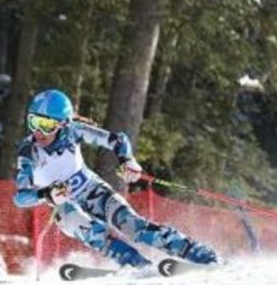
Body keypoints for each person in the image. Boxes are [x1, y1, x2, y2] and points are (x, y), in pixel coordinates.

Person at [13, 88, 220, 274]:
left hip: (93, 191)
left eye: (46, 124)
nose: (38, 132)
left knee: (133, 226)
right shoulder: (28, 152)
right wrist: (45, 194)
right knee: (80, 222)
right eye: (33, 122)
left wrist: (127, 160)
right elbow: (20, 197)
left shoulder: (74, 131)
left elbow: (117, 140)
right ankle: (135, 262)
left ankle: (196, 252)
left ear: (63, 124)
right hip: (64, 206)